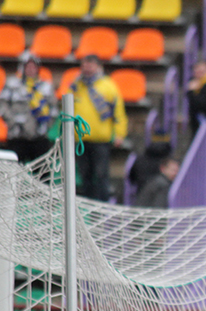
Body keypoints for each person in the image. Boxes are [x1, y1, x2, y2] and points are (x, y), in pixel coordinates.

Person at [71, 54, 128, 202]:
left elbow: (118, 112)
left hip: (101, 139)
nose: (87, 68)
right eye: (84, 65)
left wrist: (120, 133)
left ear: (98, 67)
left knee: (101, 174)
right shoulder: (76, 85)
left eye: (90, 65)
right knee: (85, 175)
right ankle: (87, 205)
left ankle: (103, 204)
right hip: (81, 138)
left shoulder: (108, 85)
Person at [0, 52, 56, 164]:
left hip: (40, 137)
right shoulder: (12, 85)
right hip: (17, 136)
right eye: (28, 67)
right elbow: (2, 105)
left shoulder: (45, 87)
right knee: (15, 170)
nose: (31, 70)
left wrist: (46, 125)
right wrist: (12, 122)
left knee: (41, 171)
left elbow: (53, 109)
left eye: (33, 67)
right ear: (22, 68)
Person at [128, 129, 173, 196]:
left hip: (141, 195)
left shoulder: (140, 159)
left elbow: (131, 178)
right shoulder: (169, 162)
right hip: (162, 197)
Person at [186, 59, 206, 136]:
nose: (198, 73)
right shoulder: (196, 82)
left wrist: (191, 92)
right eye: (196, 71)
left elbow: (202, 104)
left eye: (201, 71)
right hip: (197, 124)